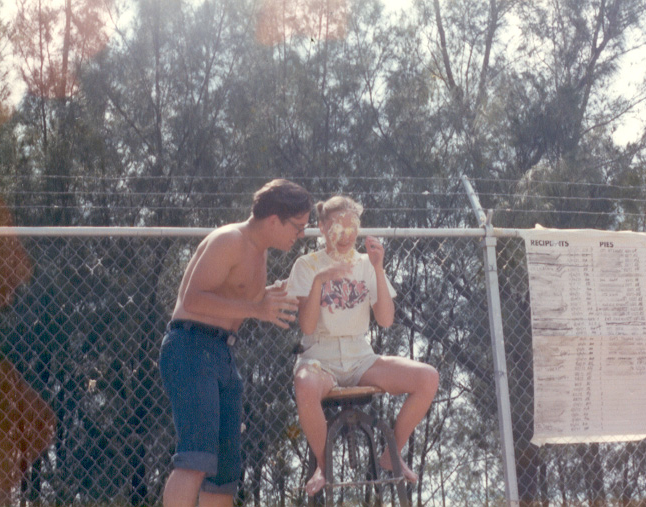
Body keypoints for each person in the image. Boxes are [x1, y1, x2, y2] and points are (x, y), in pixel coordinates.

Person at [158, 179, 313, 507]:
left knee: (223, 476)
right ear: (274, 220)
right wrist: (257, 308)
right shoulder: (230, 240)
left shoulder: (259, 252)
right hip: (192, 346)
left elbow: (236, 297)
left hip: (223, 354)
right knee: (195, 459)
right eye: (298, 226)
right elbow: (192, 300)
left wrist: (269, 297)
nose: (300, 235)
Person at [286, 195, 439, 496]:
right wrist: (319, 282)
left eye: (351, 228)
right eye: (337, 229)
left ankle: (391, 453)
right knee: (304, 384)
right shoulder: (307, 265)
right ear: (322, 228)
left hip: (360, 356)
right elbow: (306, 327)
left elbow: (385, 320)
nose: (346, 236)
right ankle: (323, 466)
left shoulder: (366, 264)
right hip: (320, 357)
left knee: (427, 377)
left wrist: (378, 268)